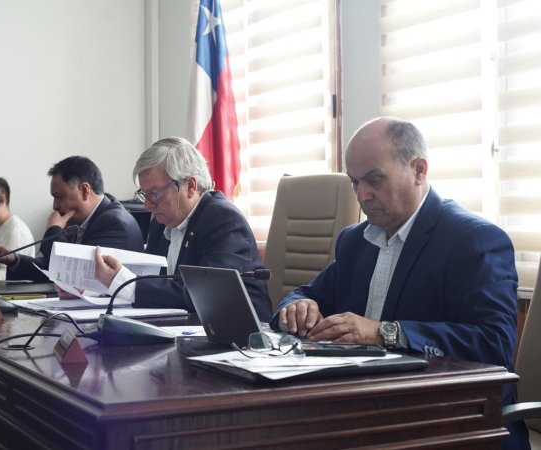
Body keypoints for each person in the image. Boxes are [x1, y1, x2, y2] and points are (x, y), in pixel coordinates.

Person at [272, 117, 528, 449]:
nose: (362, 195)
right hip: (369, 411)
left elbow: (494, 345)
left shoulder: (473, 239)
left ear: (419, 170)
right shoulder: (355, 241)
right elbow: (307, 293)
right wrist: (297, 305)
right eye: (355, 182)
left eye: (374, 180)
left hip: (455, 421)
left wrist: (385, 333)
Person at [93, 137, 272, 321]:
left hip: (240, 333)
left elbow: (204, 295)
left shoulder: (224, 220)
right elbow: (155, 284)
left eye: (154, 193)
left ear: (191, 186)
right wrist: (103, 285)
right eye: (144, 194)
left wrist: (125, 284)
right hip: (181, 327)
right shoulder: (160, 224)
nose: (147, 205)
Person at [0, 156, 144, 282]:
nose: (55, 206)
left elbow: (74, 274)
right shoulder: (81, 218)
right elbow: (52, 268)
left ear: (84, 190)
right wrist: (13, 259)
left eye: (59, 197)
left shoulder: (113, 223)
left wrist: (53, 230)